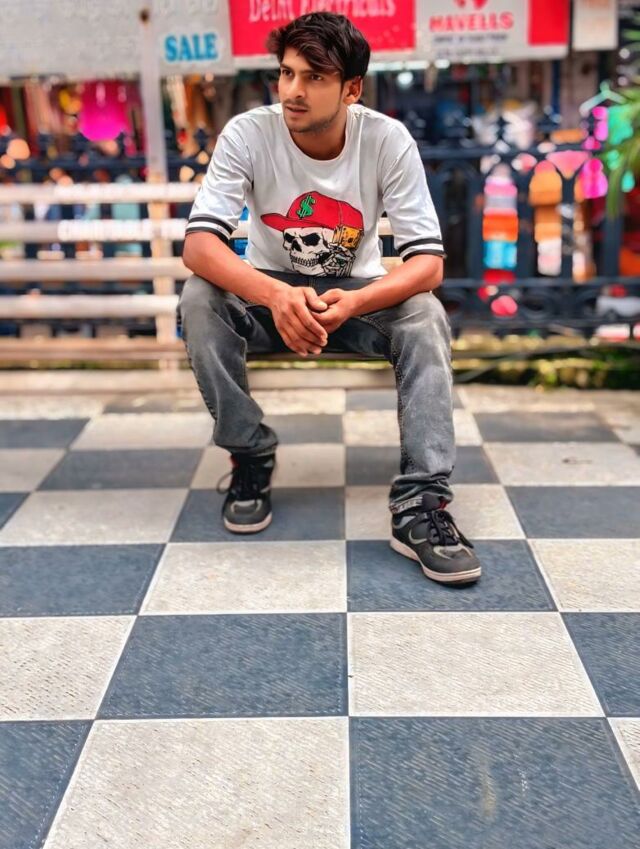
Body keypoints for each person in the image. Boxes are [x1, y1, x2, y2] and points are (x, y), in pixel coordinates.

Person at [180, 12, 482, 585]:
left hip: (357, 299)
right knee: (200, 300)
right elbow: (199, 247)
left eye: (314, 77)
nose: (293, 90)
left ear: (350, 89)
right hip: (268, 297)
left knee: (424, 317)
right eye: (287, 73)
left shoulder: (386, 139)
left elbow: (427, 264)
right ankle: (250, 453)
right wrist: (275, 294)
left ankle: (420, 504)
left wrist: (352, 303)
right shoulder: (248, 133)